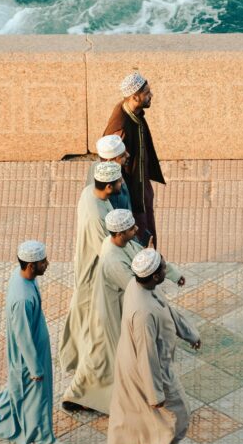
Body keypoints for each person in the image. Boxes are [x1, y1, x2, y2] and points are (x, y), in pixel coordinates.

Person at [61, 209, 186, 415]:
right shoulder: (113, 260)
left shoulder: (123, 244)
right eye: (132, 228)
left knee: (100, 357)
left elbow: (141, 256)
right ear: (119, 233)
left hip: (118, 309)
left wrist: (172, 273)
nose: (136, 230)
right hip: (111, 313)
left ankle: (78, 395)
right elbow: (136, 286)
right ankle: (93, 398)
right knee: (107, 358)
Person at [0, 240, 75, 444]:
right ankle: (44, 442)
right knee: (38, 398)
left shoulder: (23, 278)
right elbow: (22, 336)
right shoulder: (22, 298)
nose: (47, 264)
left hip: (34, 353)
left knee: (21, 391)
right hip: (29, 357)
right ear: (31, 266)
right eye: (43, 262)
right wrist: (35, 368)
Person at [108, 248, 201, 444]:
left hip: (133, 362)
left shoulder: (142, 287)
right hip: (147, 369)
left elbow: (168, 311)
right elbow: (147, 354)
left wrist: (189, 334)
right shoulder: (142, 313)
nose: (165, 269)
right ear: (153, 276)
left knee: (135, 414)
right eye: (162, 268)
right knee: (177, 413)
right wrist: (155, 393)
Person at [59, 161, 122, 379]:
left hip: (86, 267)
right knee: (90, 326)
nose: (122, 183)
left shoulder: (90, 193)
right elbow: (105, 251)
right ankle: (86, 375)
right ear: (108, 187)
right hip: (91, 274)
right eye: (119, 181)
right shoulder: (97, 215)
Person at [103, 71, 164, 246]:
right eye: (147, 93)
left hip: (141, 187)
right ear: (135, 97)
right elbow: (111, 165)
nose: (151, 96)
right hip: (132, 194)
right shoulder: (120, 127)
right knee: (142, 237)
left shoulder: (133, 114)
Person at [85, 133, 133, 214]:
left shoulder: (97, 166)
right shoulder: (108, 184)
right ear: (110, 161)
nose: (128, 155)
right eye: (122, 156)